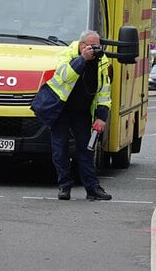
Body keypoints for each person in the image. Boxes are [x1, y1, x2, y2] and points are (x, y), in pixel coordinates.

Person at [44, 30, 113, 201]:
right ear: (82, 45)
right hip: (61, 108)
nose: (96, 49)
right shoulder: (66, 54)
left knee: (86, 149)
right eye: (92, 46)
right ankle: (64, 187)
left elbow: (104, 90)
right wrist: (82, 59)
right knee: (60, 149)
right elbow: (65, 76)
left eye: (98, 46)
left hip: (82, 110)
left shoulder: (102, 60)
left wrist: (101, 117)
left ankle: (92, 188)